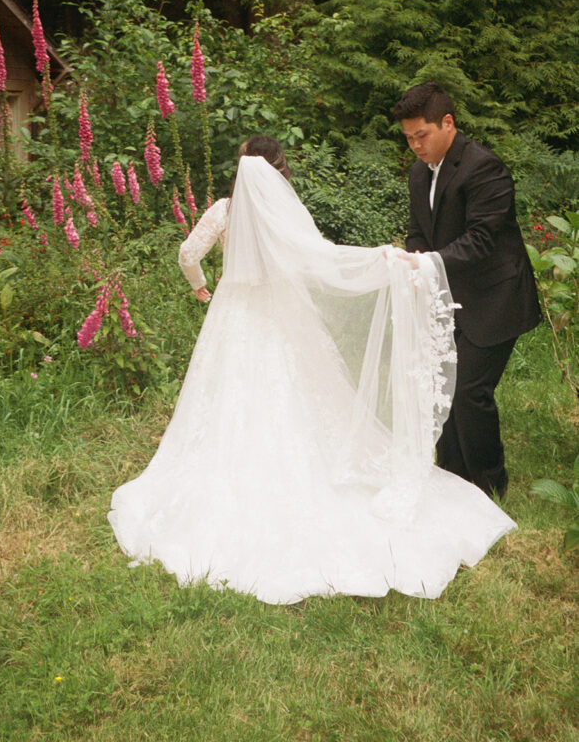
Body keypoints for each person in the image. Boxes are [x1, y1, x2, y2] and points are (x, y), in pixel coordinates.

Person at [108, 135, 515, 604]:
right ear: (279, 172)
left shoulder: (223, 211)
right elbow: (321, 257)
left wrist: (200, 288)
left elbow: (186, 255)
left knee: (227, 397)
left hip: (233, 318)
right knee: (301, 397)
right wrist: (375, 260)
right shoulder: (284, 213)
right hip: (283, 320)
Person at [393, 83, 541, 500]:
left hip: (496, 298)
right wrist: (412, 261)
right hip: (447, 299)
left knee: (469, 392)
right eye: (408, 139)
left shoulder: (484, 168)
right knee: (441, 388)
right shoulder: (419, 172)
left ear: (448, 123)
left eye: (421, 135)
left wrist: (427, 263)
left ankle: (489, 486)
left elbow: (482, 239)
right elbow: (418, 231)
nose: (415, 146)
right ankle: (452, 480)